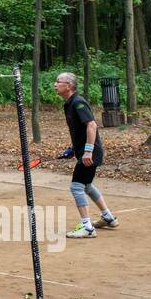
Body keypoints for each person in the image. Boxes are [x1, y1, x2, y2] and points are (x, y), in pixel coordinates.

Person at [54, 72, 118, 238]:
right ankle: (108, 217)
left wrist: (88, 150)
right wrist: (73, 148)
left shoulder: (78, 102)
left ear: (68, 86)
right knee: (87, 186)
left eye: (58, 82)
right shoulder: (69, 104)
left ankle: (87, 228)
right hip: (84, 150)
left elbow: (92, 125)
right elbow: (81, 130)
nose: (55, 84)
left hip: (91, 152)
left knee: (76, 187)